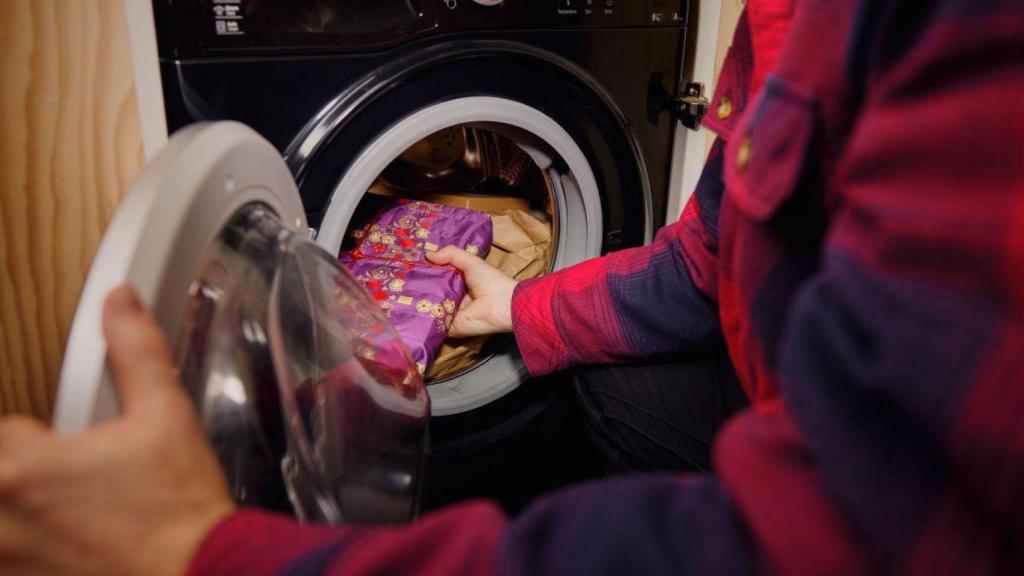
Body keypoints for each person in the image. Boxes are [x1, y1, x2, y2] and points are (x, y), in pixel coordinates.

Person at [2, 0, 1022, 573]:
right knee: (619, 385)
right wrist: (519, 306)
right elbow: (703, 259)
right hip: (791, 392)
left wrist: (203, 549)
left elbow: (843, 543)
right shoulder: (791, 20)